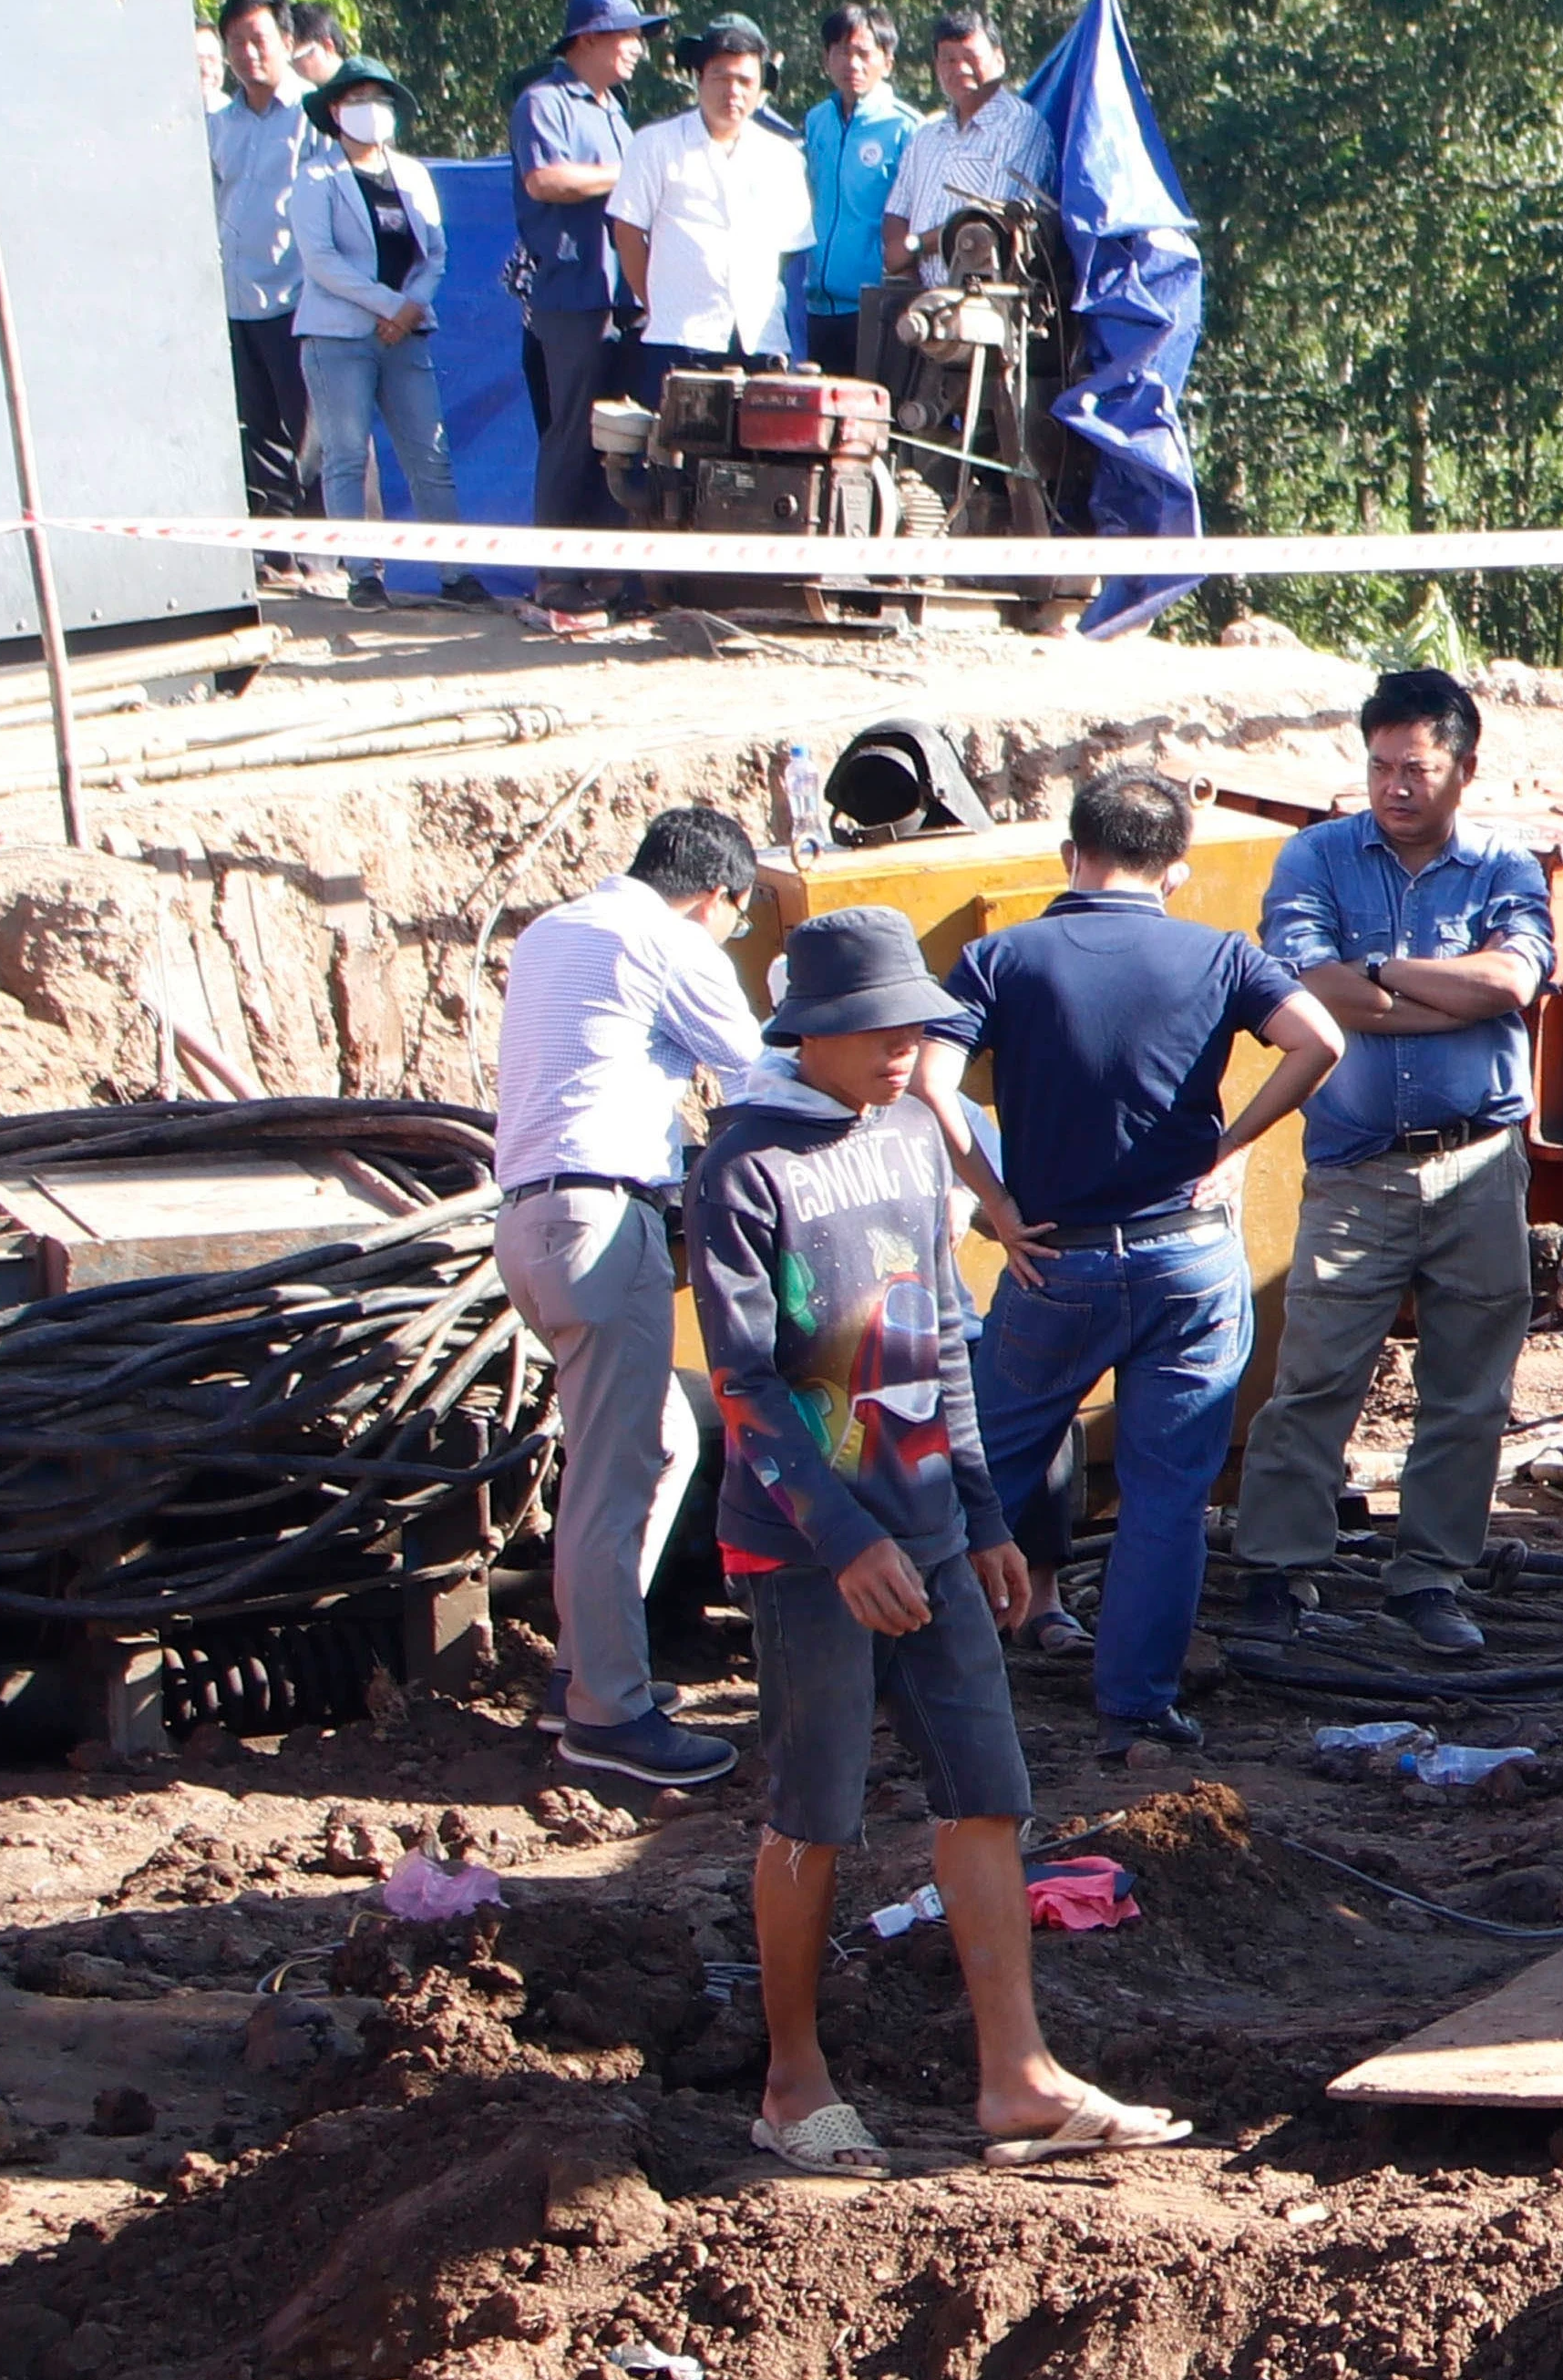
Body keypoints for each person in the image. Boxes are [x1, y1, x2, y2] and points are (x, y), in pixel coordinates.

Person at [688, 908, 1189, 2174]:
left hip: (926, 1524)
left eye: (915, 1025)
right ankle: (792, 2081)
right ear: (811, 1032)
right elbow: (747, 1388)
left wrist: (980, 1513)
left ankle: (1016, 2077)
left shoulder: (916, 1137)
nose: (905, 1049)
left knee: (990, 1794)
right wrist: (847, 1537)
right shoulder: (745, 1168)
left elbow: (939, 1335)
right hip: (811, 1549)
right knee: (815, 1804)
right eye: (878, 1029)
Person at [957, 764, 1346, 1777]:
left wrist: (995, 1207)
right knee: (1166, 1493)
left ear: (1067, 854)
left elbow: (918, 1077)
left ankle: (923, 1680)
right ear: (1176, 871)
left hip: (1054, 1267)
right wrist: (1236, 1145)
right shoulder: (1219, 955)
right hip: (1188, 1261)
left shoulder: (1001, 957)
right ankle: (1136, 1712)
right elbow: (1322, 1039)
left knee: (981, 1469)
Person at [1234, 668, 1554, 1656]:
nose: (1395, 787)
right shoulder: (1316, 860)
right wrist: (1430, 994)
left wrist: (1372, 978)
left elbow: (1509, 982)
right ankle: (1280, 1573)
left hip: (1478, 1169)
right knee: (1317, 1375)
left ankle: (1430, 1580)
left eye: (1416, 769)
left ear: (1462, 769)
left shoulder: (1507, 865)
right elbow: (1307, 981)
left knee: (1468, 1390)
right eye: (1379, 767)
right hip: (1355, 1170)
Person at [492, 811, 777, 1786]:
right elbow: (759, 1071)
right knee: (614, 1473)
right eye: (735, 923)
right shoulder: (665, 940)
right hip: (603, 1221)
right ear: (716, 897)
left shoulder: (551, 931)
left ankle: (586, 1669)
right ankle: (606, 1718)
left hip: (531, 1227)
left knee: (663, 1441)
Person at [279, 63, 469, 602]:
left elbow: (434, 253)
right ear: (335, 112)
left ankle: (455, 573)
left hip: (406, 336)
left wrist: (412, 308)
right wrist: (391, 305)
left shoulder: (412, 174)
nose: (369, 107)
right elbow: (321, 261)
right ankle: (362, 574)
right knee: (345, 456)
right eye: (357, 97)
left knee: (429, 456)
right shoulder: (315, 179)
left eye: (378, 97)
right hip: (337, 337)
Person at [509, 0, 652, 595]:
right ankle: (557, 574)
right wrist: (633, 175)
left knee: (618, 438)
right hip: (570, 297)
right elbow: (545, 180)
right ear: (588, 38)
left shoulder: (615, 111)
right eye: (626, 36)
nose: (638, 50)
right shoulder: (542, 102)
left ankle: (605, 572)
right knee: (571, 433)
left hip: (623, 298)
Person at [618, 15, 809, 385]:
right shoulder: (655, 145)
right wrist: (659, 303)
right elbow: (627, 232)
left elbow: (791, 252)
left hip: (760, 341)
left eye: (745, 81)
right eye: (721, 77)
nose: (733, 91)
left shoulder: (783, 157)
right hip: (679, 337)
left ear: (760, 89)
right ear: (699, 79)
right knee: (672, 442)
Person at [205, 0, 317, 558]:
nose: (249, 53)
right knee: (262, 432)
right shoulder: (218, 124)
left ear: (288, 43)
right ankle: (278, 555)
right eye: (237, 43)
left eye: (260, 40)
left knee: (319, 435)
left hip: (301, 297)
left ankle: (335, 556)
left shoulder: (314, 114)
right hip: (237, 298)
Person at [796, 0, 913, 383]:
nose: (853, 64)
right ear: (826, 59)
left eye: (864, 53)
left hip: (875, 305)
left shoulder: (905, 128)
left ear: (887, 61)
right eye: (842, 52)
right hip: (816, 305)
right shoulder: (816, 121)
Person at [877, 7, 1039, 266]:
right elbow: (897, 213)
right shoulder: (927, 135)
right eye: (949, 60)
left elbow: (995, 219)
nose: (960, 68)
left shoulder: (1020, 126)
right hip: (921, 296)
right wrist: (904, 267)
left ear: (1000, 60)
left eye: (971, 57)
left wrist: (915, 245)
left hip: (988, 295)